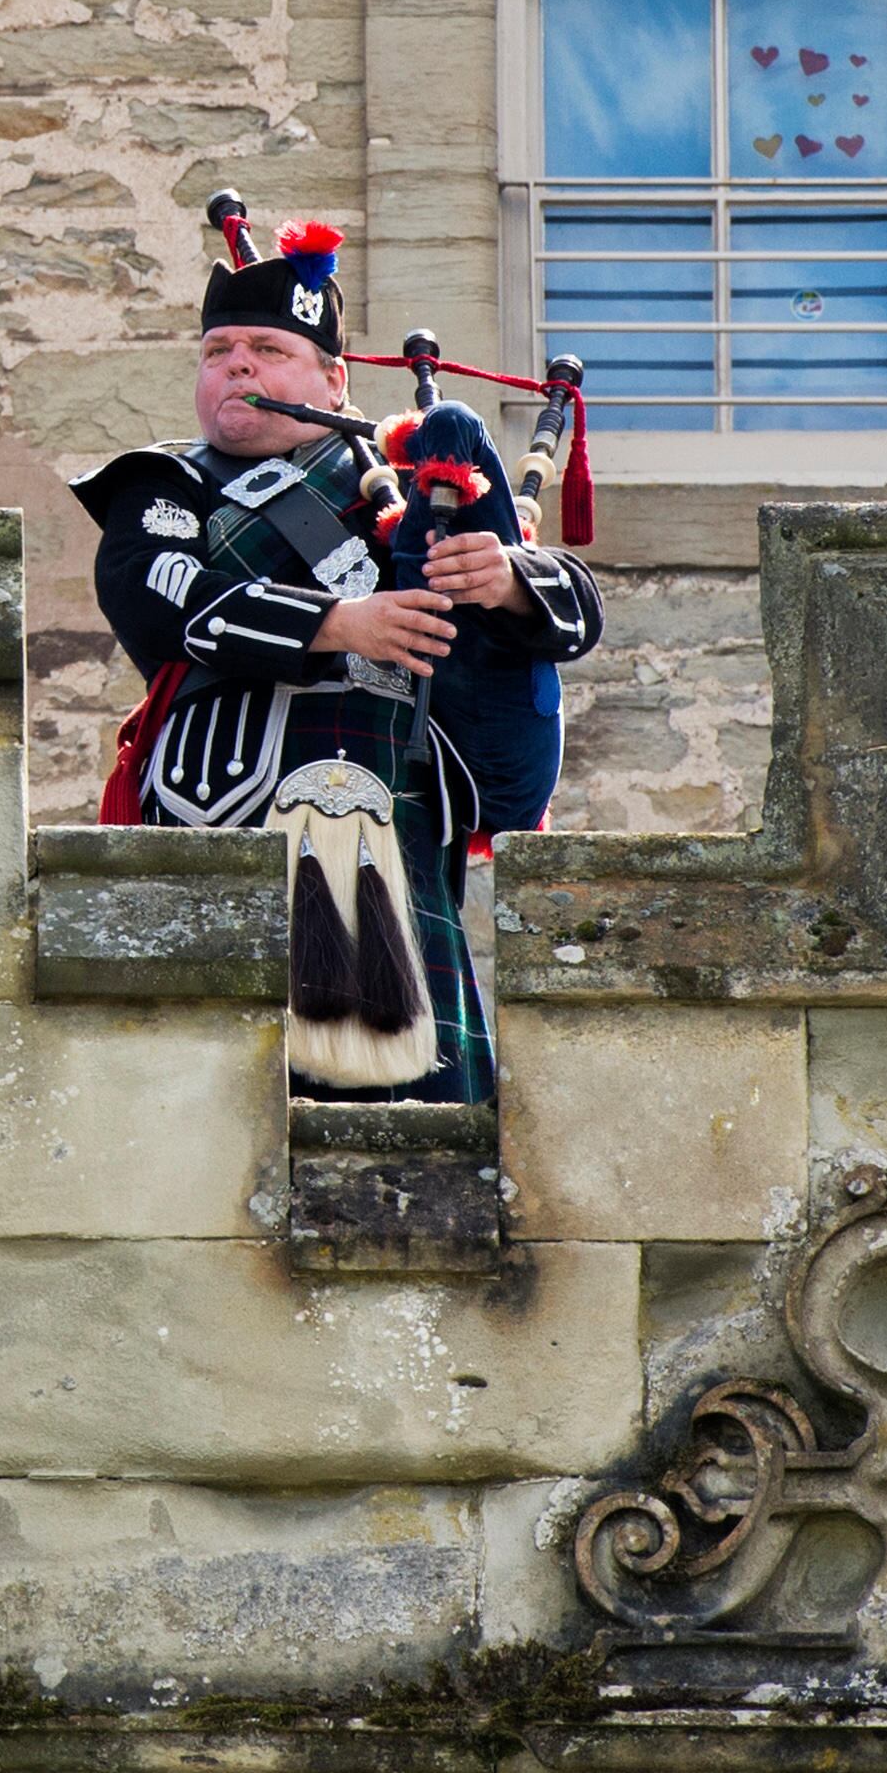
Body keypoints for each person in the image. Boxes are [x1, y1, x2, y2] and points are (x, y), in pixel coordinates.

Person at [72, 203, 603, 1104]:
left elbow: (576, 616)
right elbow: (161, 599)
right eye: (219, 351)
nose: (237, 363)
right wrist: (338, 623)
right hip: (223, 837)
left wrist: (503, 575)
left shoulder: (407, 499)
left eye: (267, 351)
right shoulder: (167, 487)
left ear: (332, 382)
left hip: (397, 840)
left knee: (425, 1164)